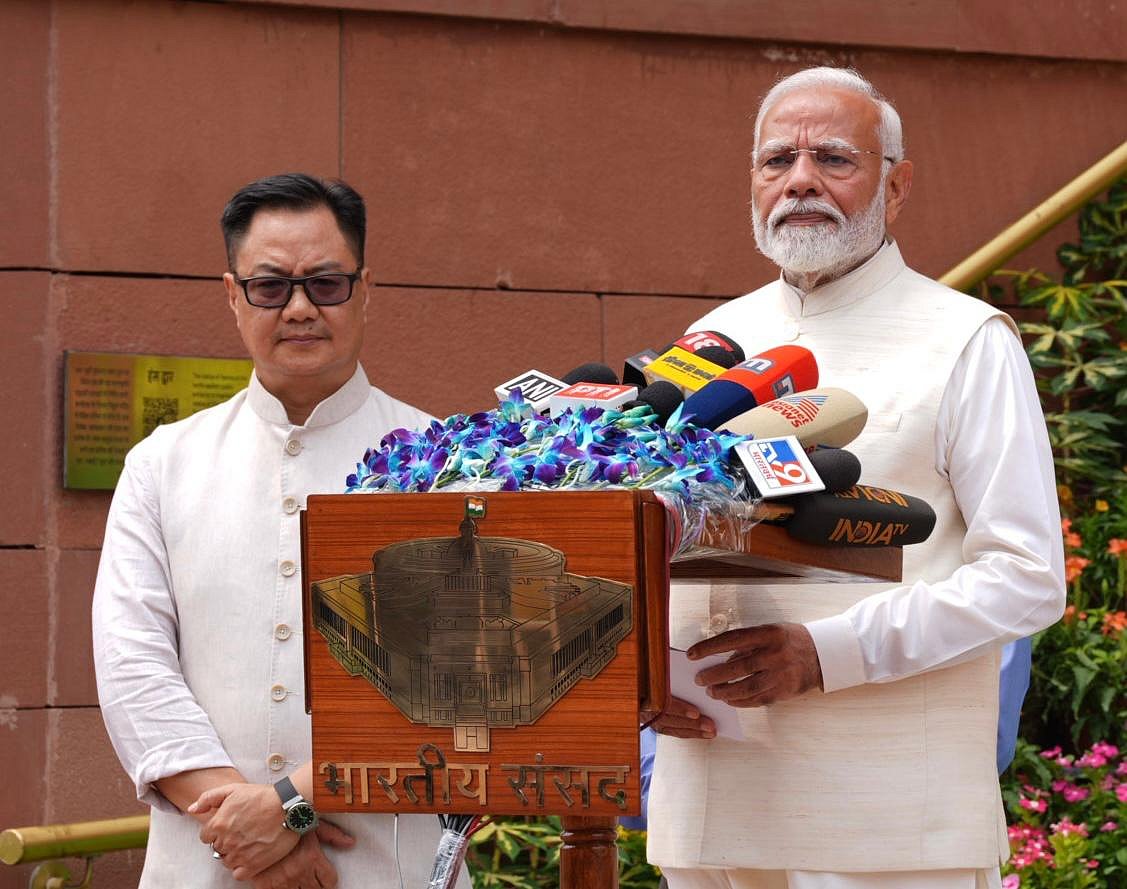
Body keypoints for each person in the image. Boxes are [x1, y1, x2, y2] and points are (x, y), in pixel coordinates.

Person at [643, 68, 1065, 889]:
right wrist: (641, 674)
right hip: (710, 811)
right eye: (777, 160)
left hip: (887, 822)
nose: (800, 180)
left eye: (833, 158)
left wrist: (826, 653)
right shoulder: (709, 341)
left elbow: (1026, 576)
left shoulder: (966, 339)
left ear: (895, 187)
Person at [92, 173, 467, 888]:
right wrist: (244, 828)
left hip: (387, 863)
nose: (299, 308)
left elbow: (462, 677)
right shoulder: (162, 463)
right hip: (205, 861)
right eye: (270, 286)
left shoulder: (446, 461)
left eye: (325, 283)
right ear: (232, 295)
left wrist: (289, 804)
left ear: (364, 289)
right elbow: (132, 667)